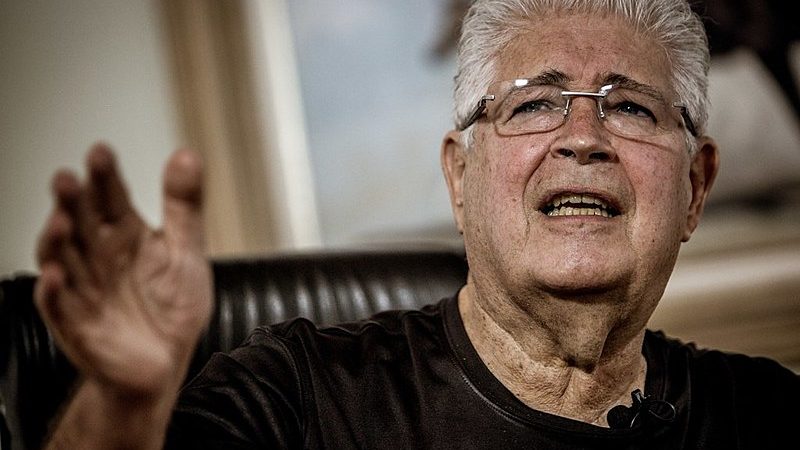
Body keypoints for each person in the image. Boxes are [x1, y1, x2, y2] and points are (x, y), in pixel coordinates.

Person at [34, 0, 800, 448]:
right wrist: (122, 406)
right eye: (534, 102)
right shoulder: (294, 400)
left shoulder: (768, 413)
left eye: (629, 106)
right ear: (460, 178)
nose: (582, 137)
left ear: (695, 187)